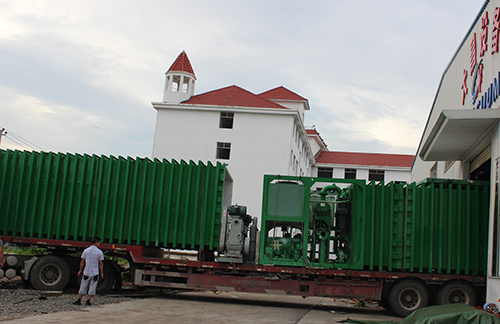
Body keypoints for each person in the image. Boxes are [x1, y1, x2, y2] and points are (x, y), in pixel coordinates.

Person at [73, 237, 104, 306]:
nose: (99, 244)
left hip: (86, 272)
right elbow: (100, 263)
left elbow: (82, 261)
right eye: (99, 242)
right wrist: (101, 272)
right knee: (92, 287)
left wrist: (80, 270)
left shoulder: (86, 250)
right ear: (96, 242)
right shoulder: (99, 252)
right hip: (95, 272)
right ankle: (88, 300)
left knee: (83, 286)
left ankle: (79, 299)